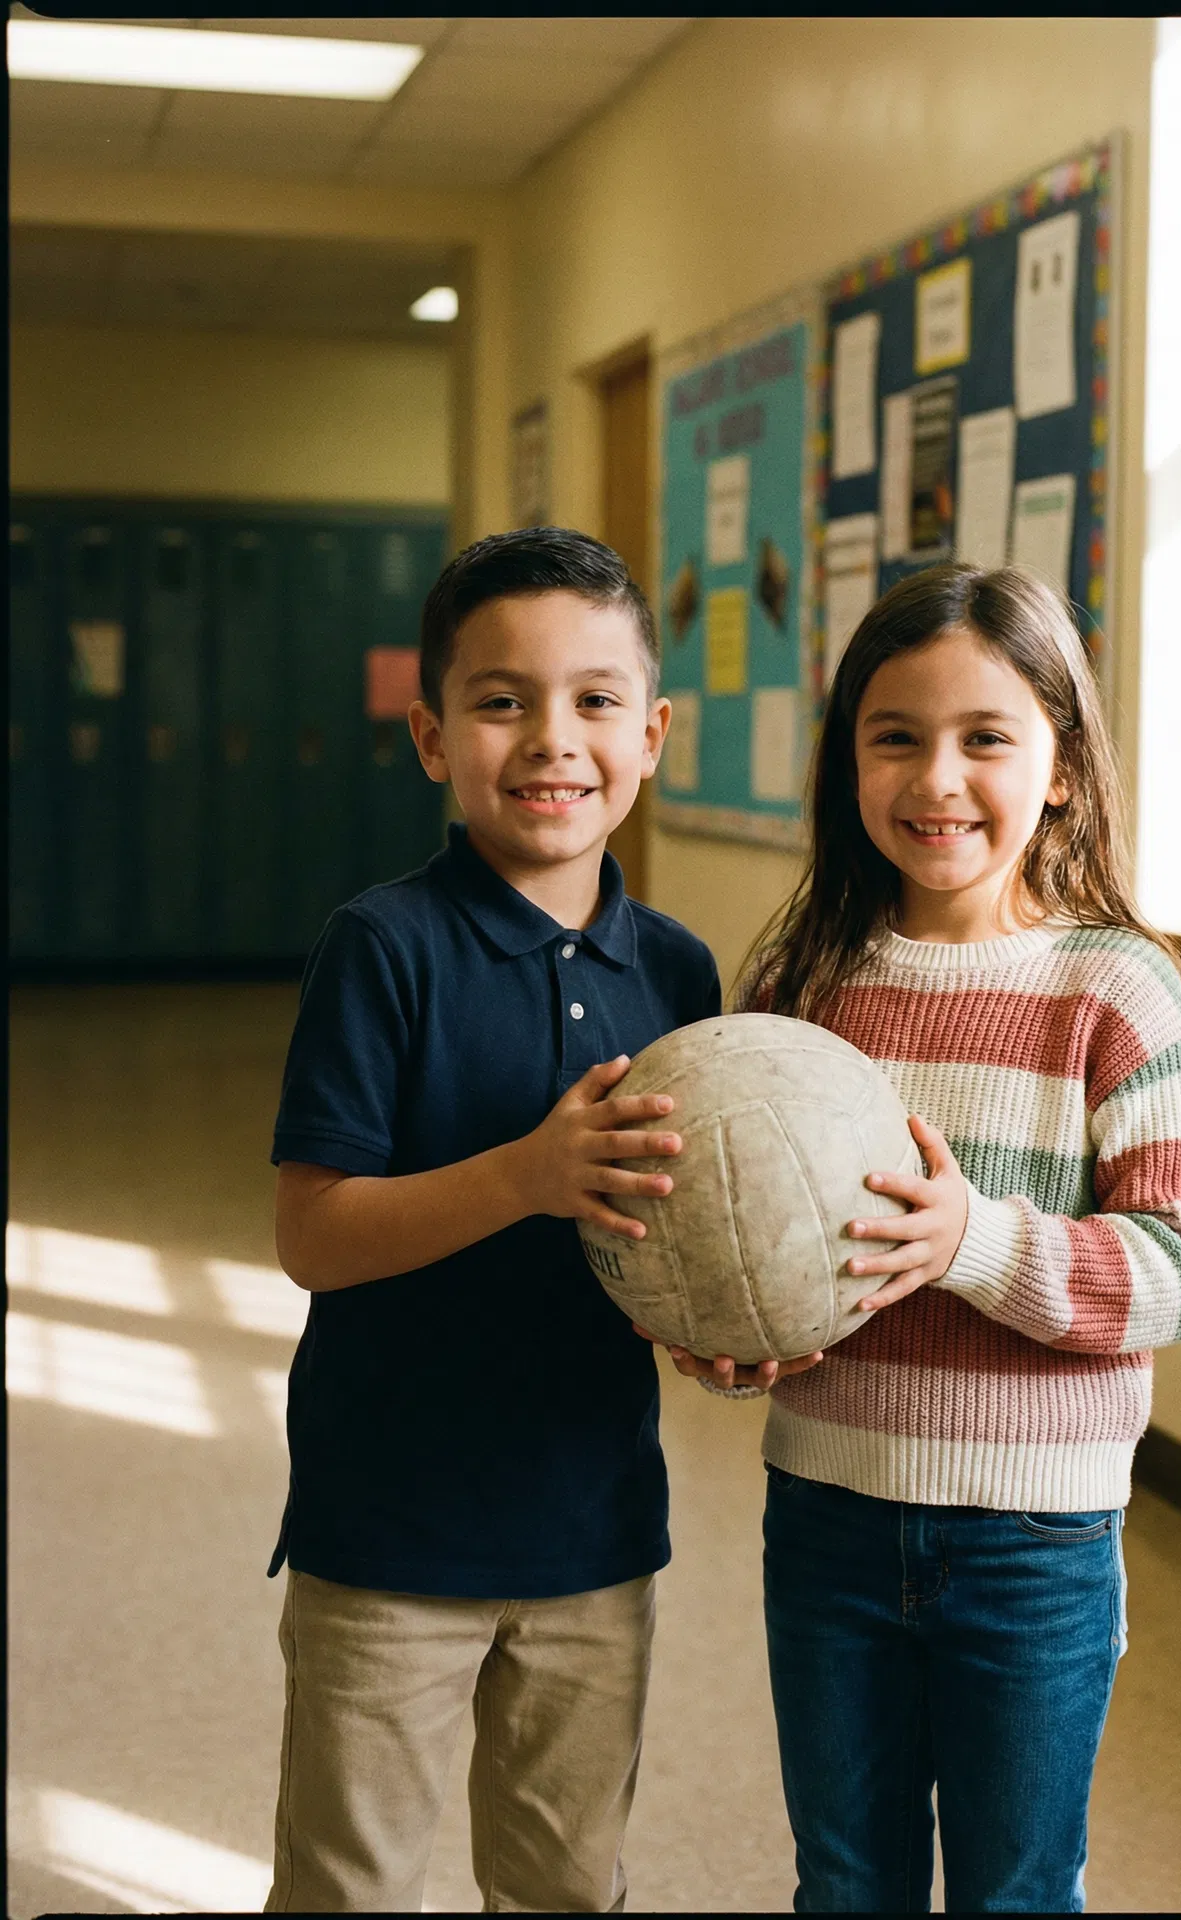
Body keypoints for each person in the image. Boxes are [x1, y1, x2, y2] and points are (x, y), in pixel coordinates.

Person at [654, 562, 1181, 1913]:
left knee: (1012, 1893)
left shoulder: (1114, 988)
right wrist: (737, 1338)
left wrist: (973, 1239)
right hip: (829, 1519)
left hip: (1035, 1547)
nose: (936, 780)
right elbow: (760, 1254)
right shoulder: (804, 986)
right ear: (846, 761)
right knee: (843, 1885)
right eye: (894, 737)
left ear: (1062, 770)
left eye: (986, 739)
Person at [262, 526, 725, 1915]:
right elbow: (314, 1234)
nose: (550, 740)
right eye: (500, 700)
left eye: (593, 701)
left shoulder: (678, 971)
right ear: (429, 734)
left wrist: (734, 1329)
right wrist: (525, 1174)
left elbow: (687, 1232)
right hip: (387, 1537)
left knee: (566, 1884)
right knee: (352, 1887)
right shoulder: (382, 947)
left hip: (592, 1534)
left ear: (649, 734)